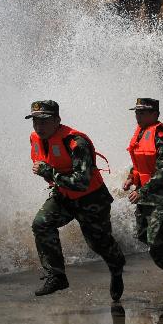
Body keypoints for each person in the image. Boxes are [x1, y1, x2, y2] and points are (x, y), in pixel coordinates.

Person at [28, 100, 126, 299]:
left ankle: (116, 267)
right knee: (41, 224)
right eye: (35, 121)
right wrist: (49, 174)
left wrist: (49, 172)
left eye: (45, 121)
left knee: (98, 244)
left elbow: (81, 182)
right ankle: (56, 276)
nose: (39, 126)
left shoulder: (76, 142)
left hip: (91, 199)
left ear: (57, 120)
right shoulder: (35, 138)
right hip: (63, 196)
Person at [122, 98, 163, 289]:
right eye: (137, 112)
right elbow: (139, 163)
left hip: (162, 195)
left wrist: (142, 191)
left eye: (142, 112)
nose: (138, 116)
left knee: (155, 240)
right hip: (145, 194)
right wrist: (131, 178)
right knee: (142, 235)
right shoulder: (140, 133)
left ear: (155, 114)